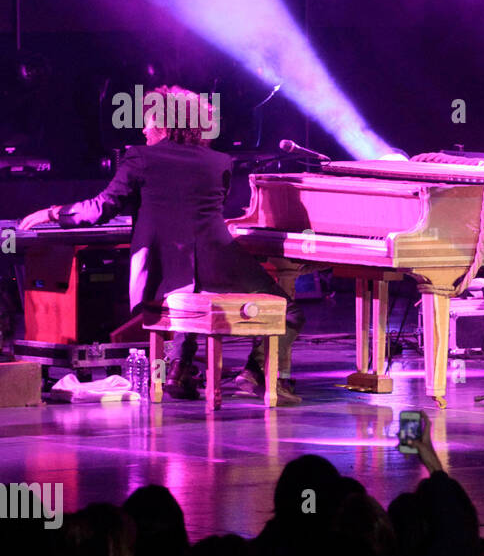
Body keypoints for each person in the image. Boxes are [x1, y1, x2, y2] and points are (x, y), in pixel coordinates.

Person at [18, 86, 303, 404]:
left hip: (160, 273)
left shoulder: (139, 157)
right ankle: (250, 372)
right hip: (217, 261)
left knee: (187, 287)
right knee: (286, 307)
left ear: (166, 124)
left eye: (148, 120)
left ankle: (183, 370)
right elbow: (214, 207)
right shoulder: (220, 161)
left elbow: (101, 208)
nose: (143, 128)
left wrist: (53, 213)